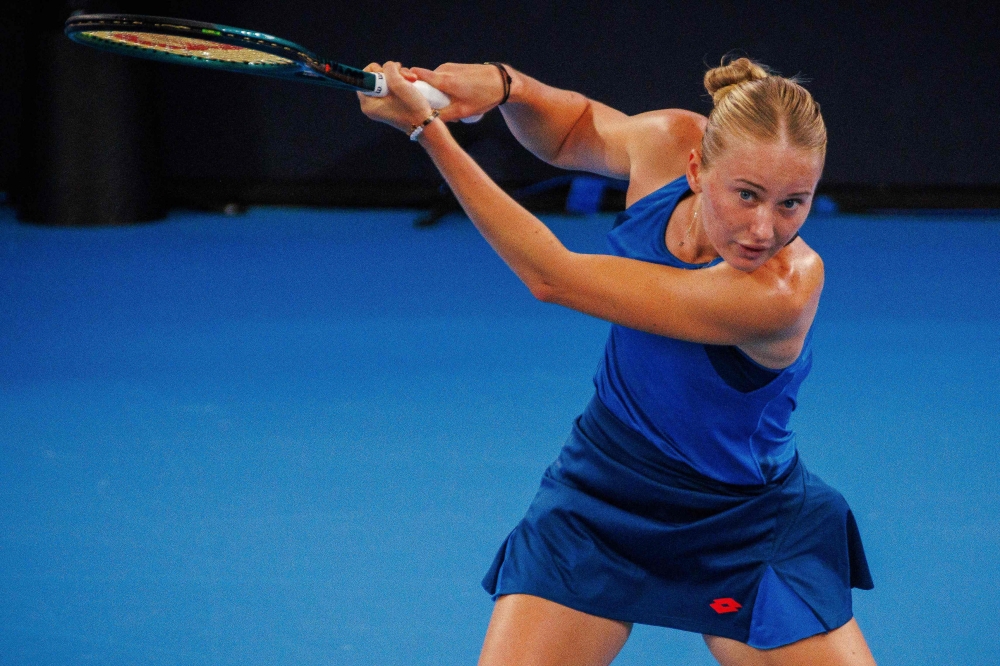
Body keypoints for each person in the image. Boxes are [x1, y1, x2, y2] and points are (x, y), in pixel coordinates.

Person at [357, 56, 876, 666]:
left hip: (743, 524)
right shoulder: (666, 142)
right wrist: (506, 86)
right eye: (746, 195)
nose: (764, 228)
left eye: (794, 203)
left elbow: (551, 276)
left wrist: (428, 132)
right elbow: (574, 127)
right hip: (601, 496)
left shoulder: (782, 291)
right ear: (696, 167)